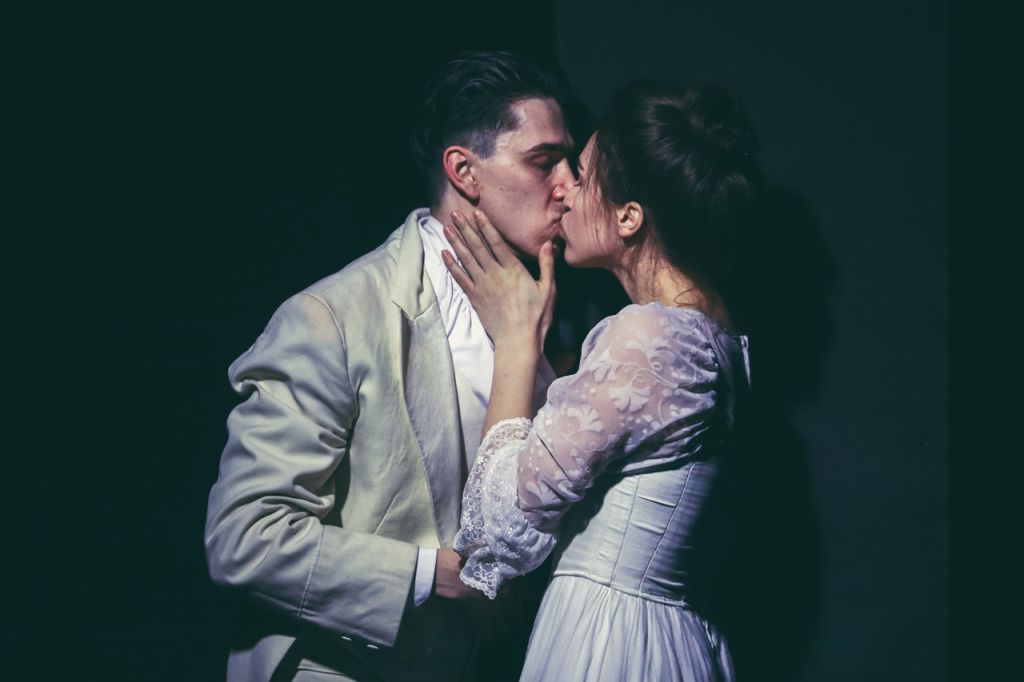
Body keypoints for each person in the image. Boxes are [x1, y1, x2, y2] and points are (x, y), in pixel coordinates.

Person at [203, 51, 577, 681]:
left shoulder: (536, 315)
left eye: (571, 163)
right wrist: (438, 576)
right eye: (545, 162)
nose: (569, 185)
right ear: (464, 171)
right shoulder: (335, 316)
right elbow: (243, 537)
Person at [443, 81, 761, 681]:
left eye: (583, 177)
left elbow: (503, 525)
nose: (564, 190)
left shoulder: (649, 336)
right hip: (669, 634)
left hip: (611, 643)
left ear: (629, 216)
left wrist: (517, 340)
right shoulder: (715, 333)